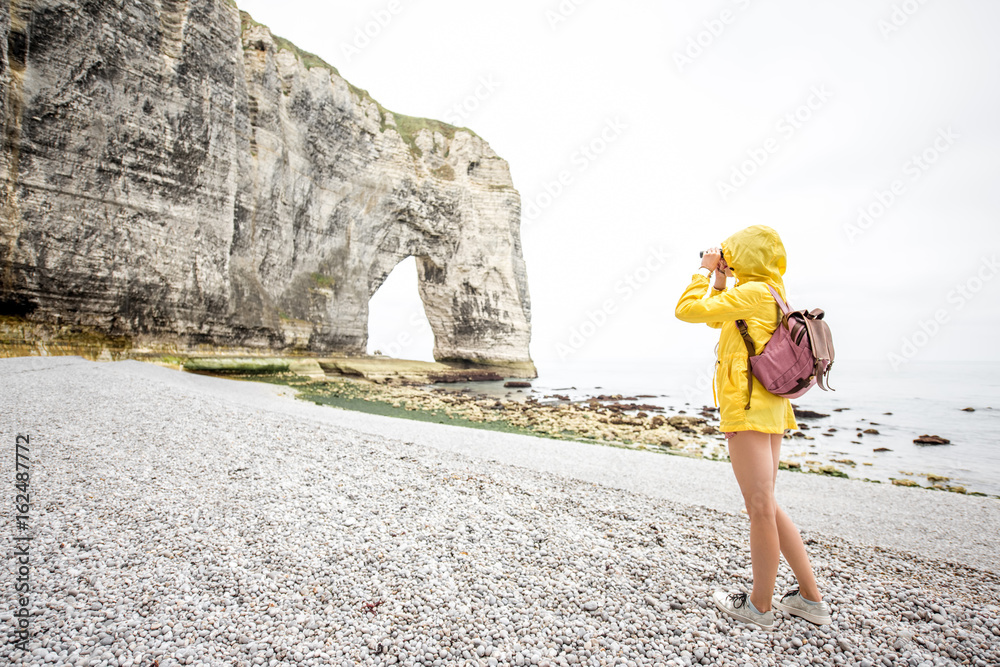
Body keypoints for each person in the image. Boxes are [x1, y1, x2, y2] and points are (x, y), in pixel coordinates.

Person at [674, 225, 832, 631]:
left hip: (748, 410)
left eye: (731, 255)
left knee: (759, 506)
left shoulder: (756, 292)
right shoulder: (770, 292)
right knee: (769, 504)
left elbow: (688, 310)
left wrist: (702, 271)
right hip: (771, 409)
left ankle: (760, 608)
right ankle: (809, 600)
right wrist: (722, 279)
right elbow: (717, 319)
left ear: (746, 256)